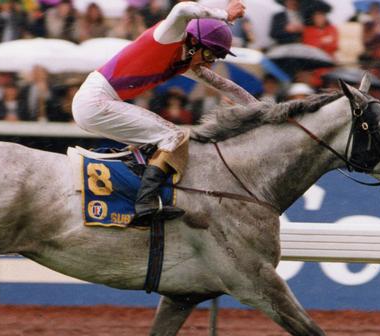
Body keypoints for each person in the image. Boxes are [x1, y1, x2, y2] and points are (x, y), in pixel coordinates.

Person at [72, 0, 252, 226]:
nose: (210, 63)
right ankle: (145, 202)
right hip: (96, 100)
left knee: (160, 142)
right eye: (208, 54)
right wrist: (224, 14)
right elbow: (182, 9)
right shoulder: (169, 36)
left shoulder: (186, 62)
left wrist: (262, 110)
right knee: (174, 137)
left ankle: (135, 192)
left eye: (216, 57)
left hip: (97, 101)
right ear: (194, 42)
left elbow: (226, 86)